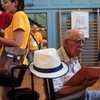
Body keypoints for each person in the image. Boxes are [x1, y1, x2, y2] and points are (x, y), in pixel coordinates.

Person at [53, 29, 100, 100]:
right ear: (66, 42)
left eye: (83, 41)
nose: (81, 45)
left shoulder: (73, 55)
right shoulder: (55, 60)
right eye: (77, 41)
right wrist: (83, 86)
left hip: (84, 95)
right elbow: (56, 91)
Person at [0, 0, 30, 100]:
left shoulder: (19, 15)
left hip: (12, 62)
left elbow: (17, 42)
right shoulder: (18, 16)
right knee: (7, 92)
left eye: (5, 2)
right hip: (13, 61)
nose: (3, 5)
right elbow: (12, 36)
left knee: (8, 94)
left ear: (15, 2)